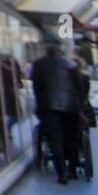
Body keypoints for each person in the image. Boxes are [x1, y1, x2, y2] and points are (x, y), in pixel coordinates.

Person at [31, 43, 82, 184]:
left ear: (46, 51)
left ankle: (62, 174)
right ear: (60, 52)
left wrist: (39, 106)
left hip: (49, 107)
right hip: (71, 107)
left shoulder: (38, 64)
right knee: (72, 138)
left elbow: (36, 87)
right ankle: (72, 169)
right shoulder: (71, 64)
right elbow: (79, 88)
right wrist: (81, 108)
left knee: (55, 140)